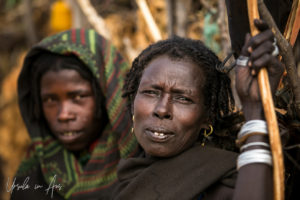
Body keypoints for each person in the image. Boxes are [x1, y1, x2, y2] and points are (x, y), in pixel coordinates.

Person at [113, 19, 284, 200]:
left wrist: (255, 110)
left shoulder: (223, 185)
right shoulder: (127, 176)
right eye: (150, 92)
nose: (162, 109)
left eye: (183, 98)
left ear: (207, 117)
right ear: (133, 102)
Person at [10, 29, 139, 199]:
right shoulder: (30, 180)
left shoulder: (141, 168)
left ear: (106, 95)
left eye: (78, 97)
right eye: (50, 100)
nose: (64, 115)